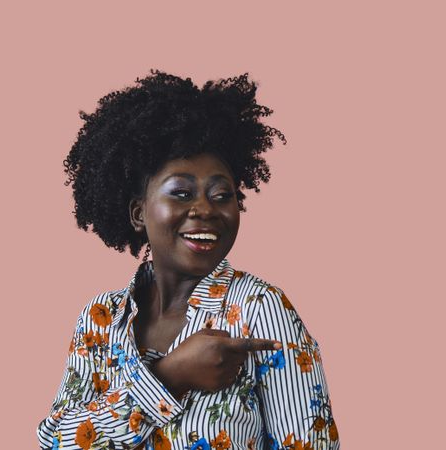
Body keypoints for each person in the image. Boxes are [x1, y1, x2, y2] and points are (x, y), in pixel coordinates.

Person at [36, 71, 339, 450]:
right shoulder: (99, 320)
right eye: (181, 193)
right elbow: (55, 441)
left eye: (221, 194)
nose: (204, 209)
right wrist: (169, 376)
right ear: (138, 213)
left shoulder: (259, 310)